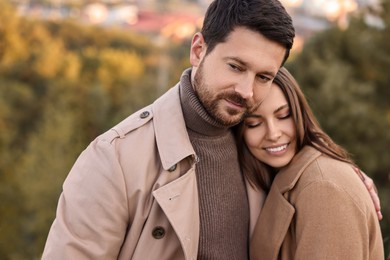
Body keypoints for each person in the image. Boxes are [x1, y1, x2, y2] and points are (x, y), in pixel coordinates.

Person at [42, 0, 380, 259]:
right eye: (235, 66)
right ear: (198, 50)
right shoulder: (113, 160)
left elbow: (308, 171)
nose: (246, 91)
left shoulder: (254, 140)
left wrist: (339, 174)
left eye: (263, 77)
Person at [235, 67, 384, 259]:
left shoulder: (323, 188)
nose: (273, 134)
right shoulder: (275, 175)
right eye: (254, 124)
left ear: (299, 113)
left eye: (284, 116)